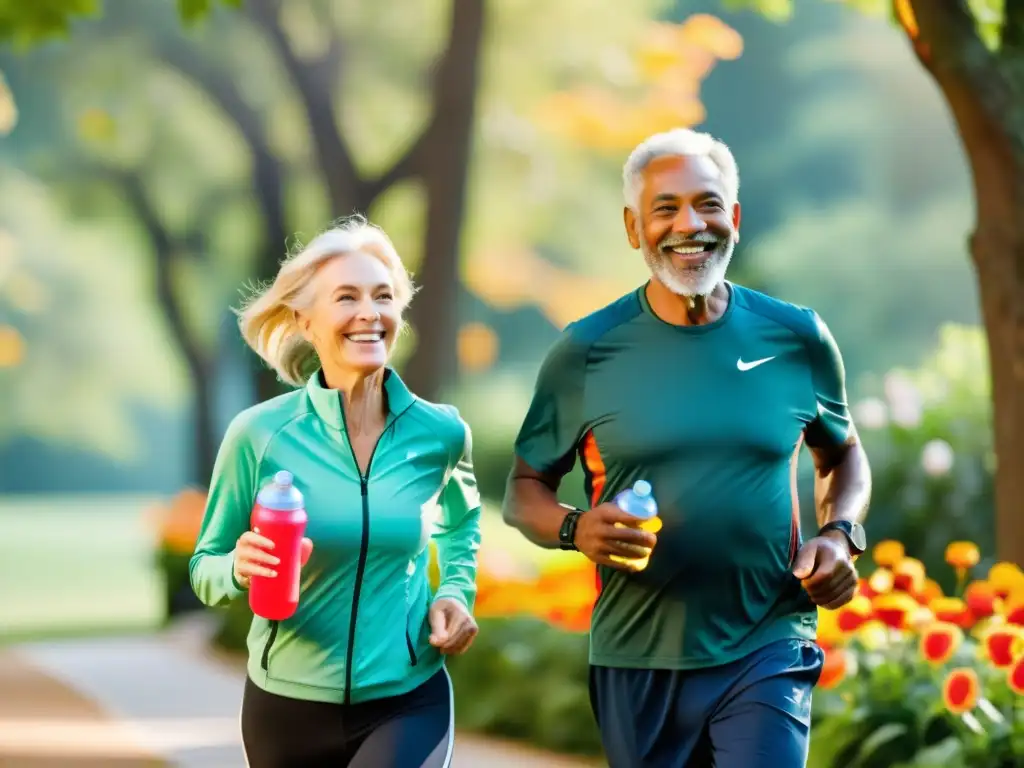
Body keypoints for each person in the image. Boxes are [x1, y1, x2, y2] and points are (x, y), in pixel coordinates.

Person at [502, 128, 871, 768]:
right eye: (665, 208)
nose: (688, 224)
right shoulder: (587, 350)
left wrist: (839, 534)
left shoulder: (797, 336)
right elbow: (523, 488)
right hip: (637, 657)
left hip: (769, 640)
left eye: (706, 204)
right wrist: (575, 529)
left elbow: (842, 455)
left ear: (733, 216)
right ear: (633, 227)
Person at [190, 216, 481, 768]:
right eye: (346, 297)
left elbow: (461, 524)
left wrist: (455, 594)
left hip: (407, 699)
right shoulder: (259, 435)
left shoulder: (440, 432)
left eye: (384, 296)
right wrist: (236, 567)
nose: (369, 313)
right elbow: (205, 567)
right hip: (287, 707)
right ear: (305, 320)